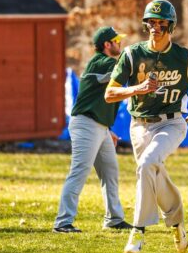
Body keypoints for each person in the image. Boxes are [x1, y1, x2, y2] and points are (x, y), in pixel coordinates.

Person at [105, 0, 188, 253]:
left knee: (147, 164)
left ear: (172, 26)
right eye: (151, 22)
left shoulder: (186, 58)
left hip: (172, 123)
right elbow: (109, 93)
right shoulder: (133, 54)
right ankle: (178, 222)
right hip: (139, 126)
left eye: (161, 23)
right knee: (154, 174)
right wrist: (137, 89)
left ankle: (137, 230)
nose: (155, 28)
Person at [53, 26, 133, 233]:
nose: (120, 43)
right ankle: (62, 223)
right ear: (107, 45)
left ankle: (114, 219)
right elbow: (118, 77)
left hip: (99, 127)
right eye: (117, 41)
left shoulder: (108, 64)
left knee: (110, 172)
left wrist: (108, 130)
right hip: (86, 124)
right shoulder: (101, 62)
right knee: (79, 171)